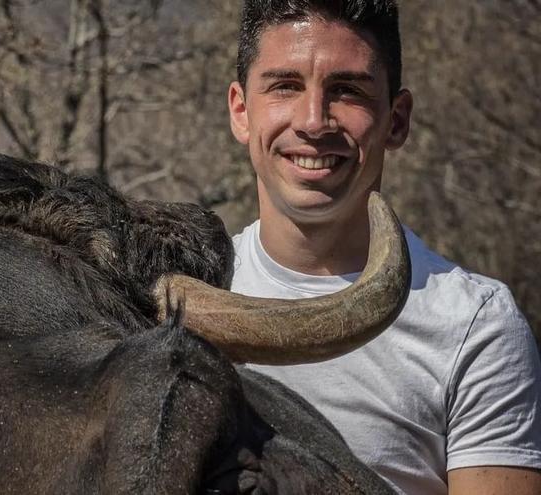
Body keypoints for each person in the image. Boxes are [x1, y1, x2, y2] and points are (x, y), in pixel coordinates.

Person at [225, 1, 541, 494]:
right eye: (285, 85)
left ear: (397, 120)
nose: (313, 122)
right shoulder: (178, 295)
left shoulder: (476, 328)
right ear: (242, 111)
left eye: (347, 90)